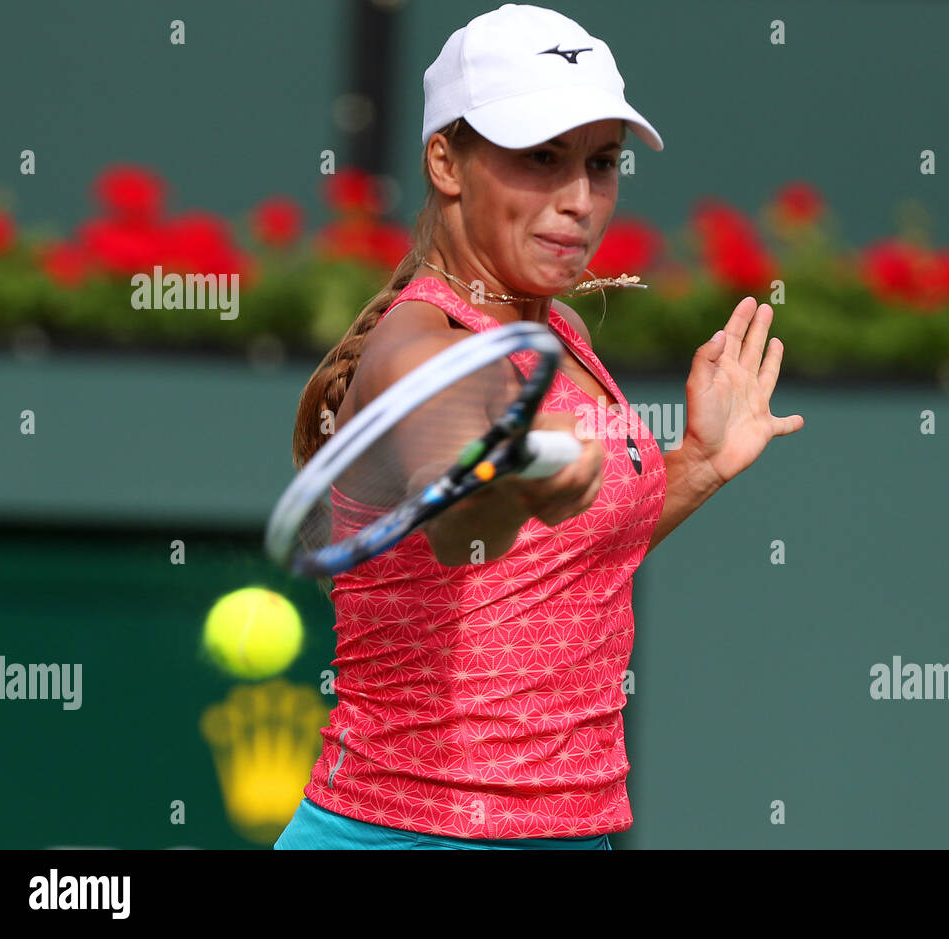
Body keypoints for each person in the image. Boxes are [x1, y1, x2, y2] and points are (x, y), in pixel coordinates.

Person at [275, 3, 803, 850]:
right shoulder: (420, 351)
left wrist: (696, 464)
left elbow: (544, 571)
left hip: (571, 830)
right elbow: (457, 523)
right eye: (540, 158)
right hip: (412, 835)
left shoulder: (562, 332)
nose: (579, 201)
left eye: (602, 163)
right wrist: (507, 486)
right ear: (445, 160)